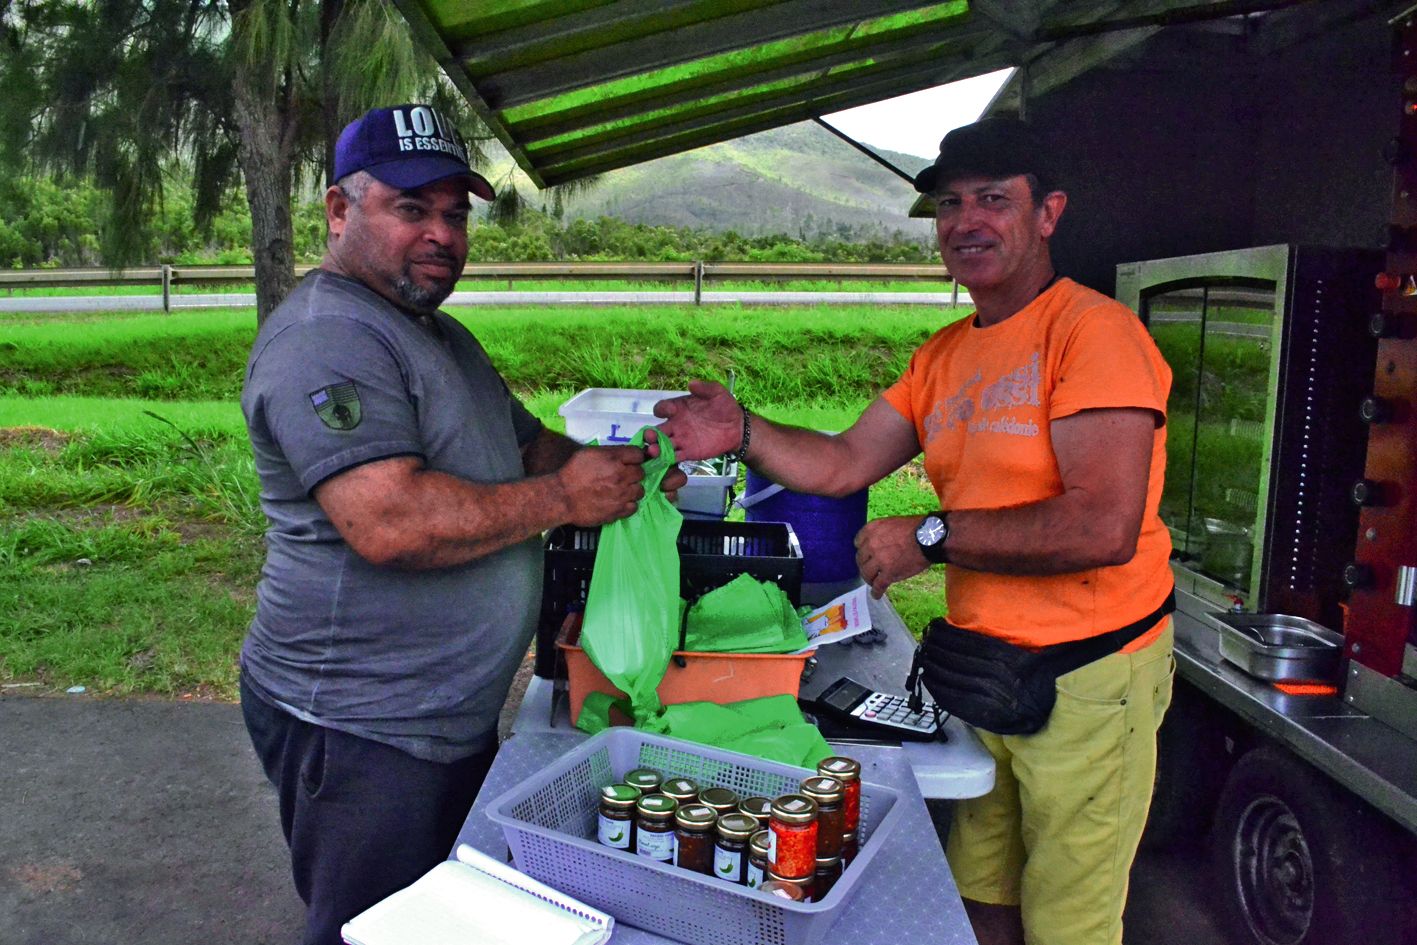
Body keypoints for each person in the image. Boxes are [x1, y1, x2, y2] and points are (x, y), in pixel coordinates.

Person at [651, 117, 1174, 945]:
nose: (966, 222)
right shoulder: (944, 355)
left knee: (1068, 919)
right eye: (948, 205)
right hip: (985, 666)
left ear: (1048, 213)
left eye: (994, 200)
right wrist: (742, 431)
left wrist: (928, 537)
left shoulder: (1093, 333)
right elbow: (844, 460)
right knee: (979, 890)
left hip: (1089, 673)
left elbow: (1101, 524)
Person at [237, 103, 684, 945]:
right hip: (361, 720)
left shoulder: (435, 333)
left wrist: (637, 464)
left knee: (442, 918)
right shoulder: (327, 338)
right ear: (340, 210)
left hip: (440, 711)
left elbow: (527, 446)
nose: (441, 233)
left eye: (454, 211)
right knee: (370, 927)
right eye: (411, 208)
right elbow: (390, 521)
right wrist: (565, 500)